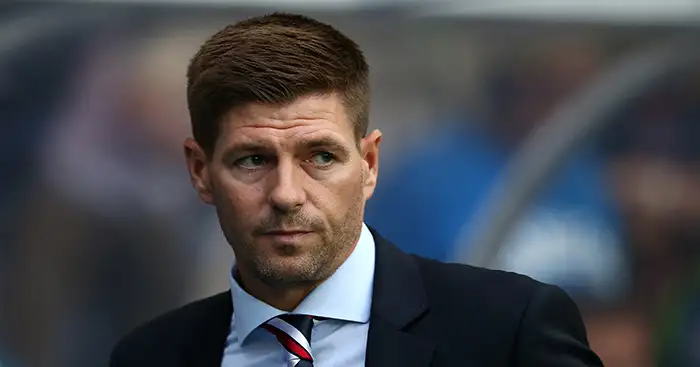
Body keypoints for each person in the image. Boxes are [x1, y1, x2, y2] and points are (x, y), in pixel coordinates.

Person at [109, 13, 604, 367]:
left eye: (321, 157)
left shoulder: (507, 329)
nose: (286, 193)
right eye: (253, 160)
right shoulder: (151, 355)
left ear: (368, 164)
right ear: (200, 172)